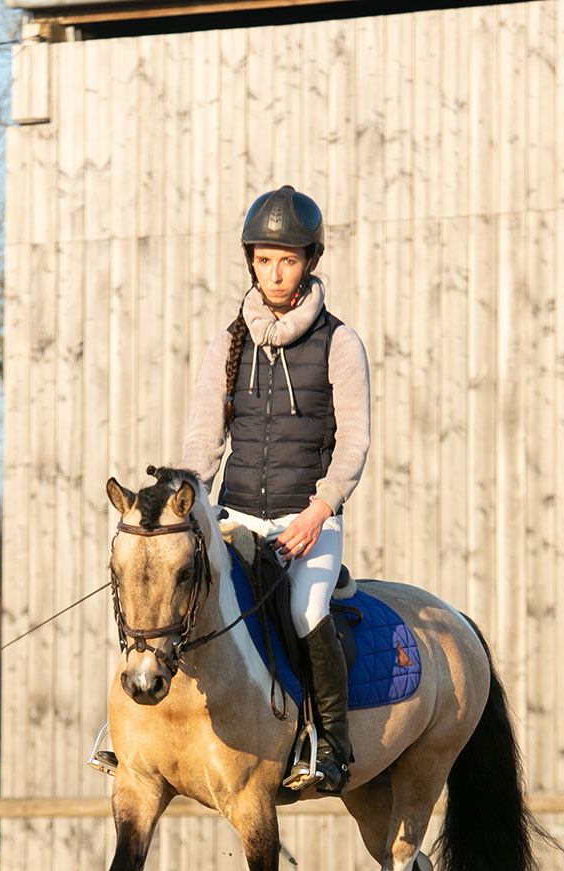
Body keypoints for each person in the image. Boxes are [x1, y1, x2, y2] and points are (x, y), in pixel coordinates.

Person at [181, 185, 371, 794]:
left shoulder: (340, 344)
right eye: (264, 259)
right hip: (235, 516)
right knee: (175, 591)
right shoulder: (227, 345)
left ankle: (331, 745)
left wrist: (321, 510)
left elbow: (354, 444)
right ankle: (136, 732)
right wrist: (188, 504)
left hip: (306, 520)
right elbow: (203, 442)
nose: (275, 272)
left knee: (305, 609)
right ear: (251, 262)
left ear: (310, 261)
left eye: (287, 259)